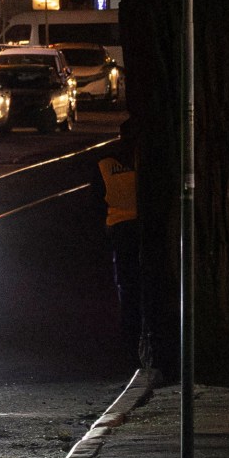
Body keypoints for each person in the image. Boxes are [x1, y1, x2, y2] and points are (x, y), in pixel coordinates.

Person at [95, 120, 144, 364]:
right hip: (145, 228)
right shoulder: (146, 159)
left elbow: (96, 199)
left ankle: (130, 336)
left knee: (127, 284)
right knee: (146, 282)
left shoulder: (105, 163)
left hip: (120, 228)